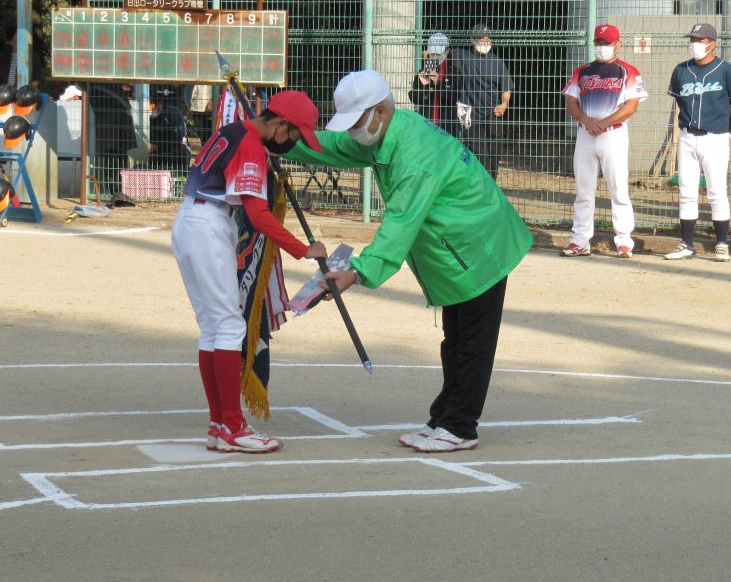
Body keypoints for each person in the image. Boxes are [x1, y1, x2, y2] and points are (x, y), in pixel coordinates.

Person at [286, 70, 533, 453]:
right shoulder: (387, 133)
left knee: (472, 342)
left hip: (480, 245)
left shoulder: (414, 155)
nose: (353, 132)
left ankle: (461, 426)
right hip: (458, 247)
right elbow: (333, 146)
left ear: (381, 110)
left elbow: (400, 223)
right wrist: (284, 143)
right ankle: (444, 417)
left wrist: (358, 271)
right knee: (455, 340)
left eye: (357, 122)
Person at [171, 90, 328, 453]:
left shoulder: (232, 131)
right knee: (226, 326)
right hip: (209, 225)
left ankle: (220, 425)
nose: (292, 143)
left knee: (214, 327)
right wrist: (304, 250)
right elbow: (258, 215)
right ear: (280, 124)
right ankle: (233, 426)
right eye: (293, 135)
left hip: (193, 221)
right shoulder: (251, 145)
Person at [561, 24, 648, 259]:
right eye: (598, 42)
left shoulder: (628, 71)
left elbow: (632, 106)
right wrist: (586, 120)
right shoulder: (583, 71)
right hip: (586, 133)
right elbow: (571, 101)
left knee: (618, 188)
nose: (602, 47)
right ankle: (580, 241)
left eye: (606, 43)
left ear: (617, 45)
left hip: (613, 134)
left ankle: (624, 241)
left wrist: (603, 121)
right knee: (583, 190)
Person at [663, 23, 731, 262]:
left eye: (699, 40)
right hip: (688, 136)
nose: (695, 44)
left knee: (716, 192)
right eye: (692, 39)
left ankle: (722, 244)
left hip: (716, 137)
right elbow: (680, 101)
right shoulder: (681, 70)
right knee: (687, 192)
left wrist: (727, 130)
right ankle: (687, 244)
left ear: (712, 43)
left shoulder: (727, 70)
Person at [453, 23, 514, 178]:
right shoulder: (462, 56)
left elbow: (506, 88)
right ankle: (482, 186)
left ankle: (491, 185)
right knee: (479, 155)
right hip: (471, 115)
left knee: (494, 153)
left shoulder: (497, 62)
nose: (485, 42)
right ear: (473, 40)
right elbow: (438, 51)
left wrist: (504, 104)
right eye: (481, 39)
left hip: (493, 114)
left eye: (487, 39)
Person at [408, 32, 456, 131]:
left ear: (447, 50)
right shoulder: (424, 70)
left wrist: (438, 83)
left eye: (439, 53)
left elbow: (454, 97)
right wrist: (425, 86)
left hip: (447, 126)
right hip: (426, 126)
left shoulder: (454, 71)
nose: (435, 56)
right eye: (433, 53)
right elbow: (415, 99)